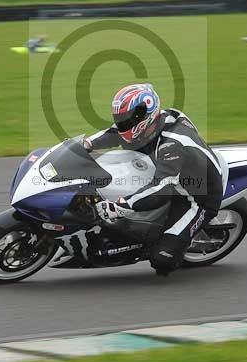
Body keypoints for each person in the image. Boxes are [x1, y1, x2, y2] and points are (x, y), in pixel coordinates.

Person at [85, 83, 224, 276]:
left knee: (161, 259)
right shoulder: (156, 121)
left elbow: (161, 190)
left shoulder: (171, 146)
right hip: (173, 174)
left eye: (126, 120)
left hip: (197, 196)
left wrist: (121, 206)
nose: (122, 124)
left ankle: (180, 241)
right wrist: (87, 144)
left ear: (145, 118)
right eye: (120, 119)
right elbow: (115, 134)